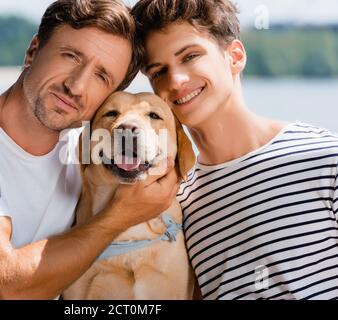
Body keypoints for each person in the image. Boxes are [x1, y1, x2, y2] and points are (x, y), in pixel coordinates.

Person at [0, 0, 180, 299]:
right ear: (32, 51)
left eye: (101, 77)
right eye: (70, 56)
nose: (77, 86)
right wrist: (118, 217)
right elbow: (1, 288)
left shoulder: (88, 158)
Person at [132, 0, 338, 300]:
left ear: (235, 56)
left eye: (190, 56)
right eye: (159, 71)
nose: (175, 81)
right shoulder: (173, 200)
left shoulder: (324, 158)